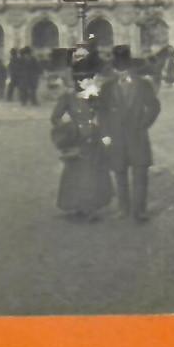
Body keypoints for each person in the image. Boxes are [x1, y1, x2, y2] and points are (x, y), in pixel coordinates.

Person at [97, 45, 161, 222]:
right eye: (118, 70)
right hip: (116, 136)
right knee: (119, 173)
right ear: (114, 70)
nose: (121, 74)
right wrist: (105, 135)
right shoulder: (107, 88)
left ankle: (139, 211)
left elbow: (155, 106)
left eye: (124, 70)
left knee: (140, 173)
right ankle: (123, 208)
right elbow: (101, 112)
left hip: (137, 135)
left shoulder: (143, 86)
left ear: (130, 68)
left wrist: (144, 123)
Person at [49, 46, 113, 222]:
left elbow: (104, 115)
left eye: (87, 78)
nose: (84, 81)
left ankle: (91, 207)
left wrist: (106, 135)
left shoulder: (95, 96)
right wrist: (68, 129)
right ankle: (75, 205)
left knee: (94, 172)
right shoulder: (69, 97)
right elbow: (55, 117)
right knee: (76, 173)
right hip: (77, 140)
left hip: (94, 139)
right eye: (80, 79)